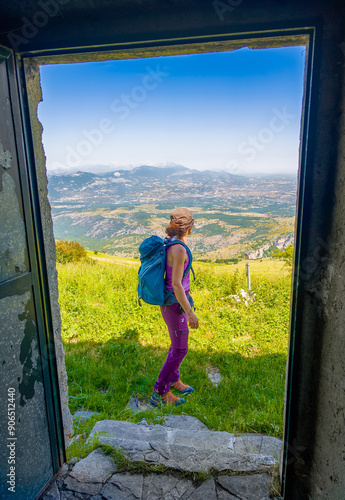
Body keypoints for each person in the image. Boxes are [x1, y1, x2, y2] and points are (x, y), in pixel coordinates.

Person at [150, 207, 199, 407]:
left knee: (176, 344)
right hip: (174, 304)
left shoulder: (175, 243)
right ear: (189, 227)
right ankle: (160, 392)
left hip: (173, 302)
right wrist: (190, 312)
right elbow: (177, 284)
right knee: (180, 349)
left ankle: (174, 379)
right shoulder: (178, 249)